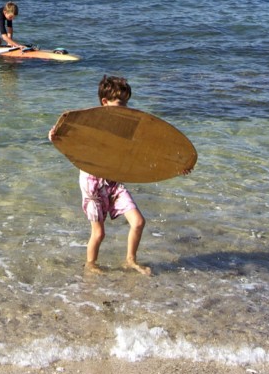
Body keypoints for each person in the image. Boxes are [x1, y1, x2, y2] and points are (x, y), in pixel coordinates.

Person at [50, 75, 183, 275]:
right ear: (105, 102)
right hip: (92, 186)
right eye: (121, 102)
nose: (126, 107)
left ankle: (130, 260)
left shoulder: (126, 128)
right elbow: (65, 137)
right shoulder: (92, 124)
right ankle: (91, 265)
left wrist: (177, 166)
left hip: (113, 182)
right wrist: (55, 135)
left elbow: (144, 150)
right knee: (99, 233)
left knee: (138, 222)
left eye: (127, 103)